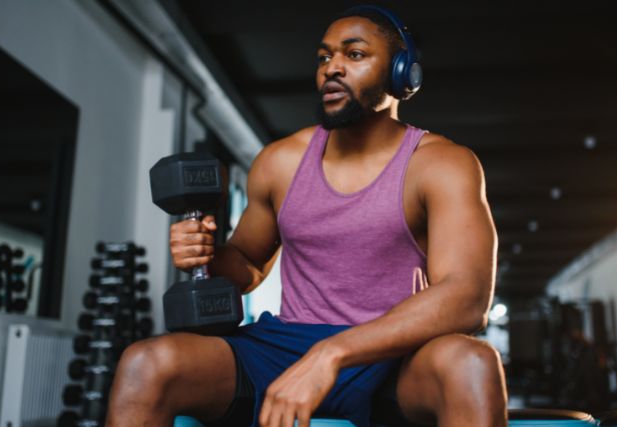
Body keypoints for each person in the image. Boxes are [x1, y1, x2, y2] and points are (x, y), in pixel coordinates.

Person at [106, 5, 507, 427]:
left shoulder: (442, 164)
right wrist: (206, 251)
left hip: (392, 352)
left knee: (472, 363)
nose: (331, 67)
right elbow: (247, 264)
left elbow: (467, 296)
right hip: (282, 347)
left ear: (402, 75)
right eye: (323, 57)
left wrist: (332, 353)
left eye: (354, 55)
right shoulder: (281, 162)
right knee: (146, 362)